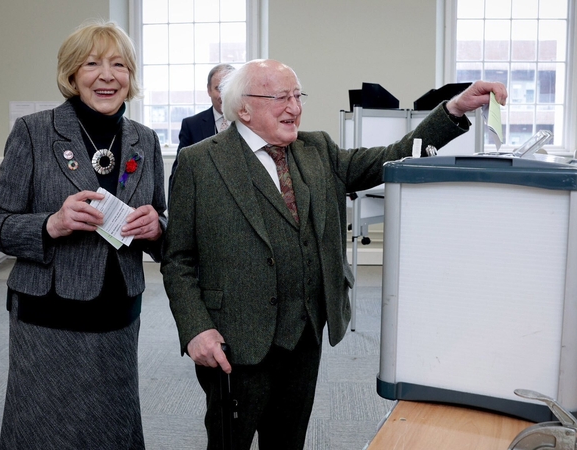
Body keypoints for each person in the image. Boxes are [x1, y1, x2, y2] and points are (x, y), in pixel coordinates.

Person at [161, 58, 507, 449]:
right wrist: (195, 329)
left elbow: (391, 155)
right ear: (244, 108)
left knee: (288, 440)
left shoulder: (318, 149)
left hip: (305, 334)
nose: (295, 108)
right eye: (281, 98)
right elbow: (179, 258)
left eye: (297, 96)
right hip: (235, 340)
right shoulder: (199, 162)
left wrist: (454, 110)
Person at [0, 19, 166, 449]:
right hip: (48, 313)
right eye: (92, 63)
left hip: (118, 310)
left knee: (112, 423)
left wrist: (157, 229)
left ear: (131, 76)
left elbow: (161, 217)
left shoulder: (144, 139)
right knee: (45, 426)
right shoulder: (34, 131)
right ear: (70, 73)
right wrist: (50, 224)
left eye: (119, 65)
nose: (107, 76)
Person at [169, 63, 235, 195]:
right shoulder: (192, 125)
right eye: (218, 88)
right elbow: (179, 174)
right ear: (209, 90)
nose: (223, 95)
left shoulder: (249, 123)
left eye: (228, 88)